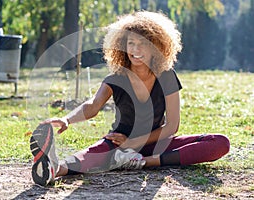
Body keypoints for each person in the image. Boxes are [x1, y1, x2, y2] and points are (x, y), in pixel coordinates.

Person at [29, 11, 230, 186]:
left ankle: (144, 161)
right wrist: (66, 119)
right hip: (119, 145)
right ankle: (52, 168)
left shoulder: (167, 76)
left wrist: (134, 145)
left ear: (156, 47)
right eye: (131, 43)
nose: (135, 50)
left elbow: (172, 126)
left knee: (220, 142)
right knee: (86, 157)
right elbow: (93, 105)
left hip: (156, 143)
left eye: (143, 44)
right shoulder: (116, 78)